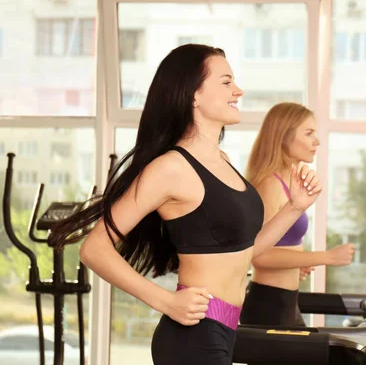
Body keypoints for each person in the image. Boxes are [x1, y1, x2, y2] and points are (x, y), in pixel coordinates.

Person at [47, 44, 322, 365]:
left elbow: (247, 252)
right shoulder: (171, 168)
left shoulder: (222, 160)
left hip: (226, 328)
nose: (238, 90)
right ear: (194, 95)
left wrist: (294, 208)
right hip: (194, 335)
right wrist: (165, 301)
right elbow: (94, 250)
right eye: (226, 82)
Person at [239, 102, 355, 328]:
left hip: (286, 301)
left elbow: (278, 246)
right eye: (309, 133)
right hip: (269, 304)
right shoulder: (270, 184)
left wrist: (295, 265)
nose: (317, 141)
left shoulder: (287, 182)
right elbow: (259, 256)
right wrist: (327, 257)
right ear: (284, 136)